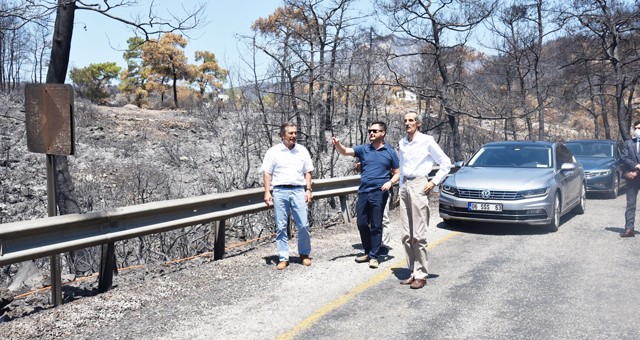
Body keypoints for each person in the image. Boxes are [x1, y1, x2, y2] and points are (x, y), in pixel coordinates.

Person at [331, 122, 400, 269]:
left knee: (376, 224)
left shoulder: (390, 152)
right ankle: (368, 251)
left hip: (379, 192)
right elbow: (344, 151)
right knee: (361, 223)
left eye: (375, 131)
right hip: (364, 191)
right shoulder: (364, 149)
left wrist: (390, 182)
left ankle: (374, 255)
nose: (371, 133)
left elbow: (398, 172)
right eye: (370, 131)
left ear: (383, 133)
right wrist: (338, 144)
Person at [398, 111, 451, 289]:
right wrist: (400, 189)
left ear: (418, 123)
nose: (408, 123)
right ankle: (412, 272)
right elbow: (402, 167)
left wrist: (434, 182)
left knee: (418, 235)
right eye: (405, 120)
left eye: (411, 120)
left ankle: (421, 274)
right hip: (405, 186)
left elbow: (446, 163)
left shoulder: (427, 141)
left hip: (420, 184)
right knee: (406, 235)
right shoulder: (402, 142)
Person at [261, 122, 314, 269]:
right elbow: (267, 172)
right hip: (279, 191)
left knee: (303, 224)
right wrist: (267, 192)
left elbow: (308, 171)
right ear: (282, 135)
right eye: (290, 133)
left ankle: (304, 254)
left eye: (295, 133)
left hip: (298, 190)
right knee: (281, 226)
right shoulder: (273, 152)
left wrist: (308, 189)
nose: (294, 136)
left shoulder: (302, 151)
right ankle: (283, 257)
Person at [620, 120, 640, 238]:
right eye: (636, 128)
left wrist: (636, 170)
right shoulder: (628, 143)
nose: (638, 130)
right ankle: (629, 229)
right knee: (631, 203)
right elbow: (624, 158)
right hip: (631, 177)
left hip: (634, 173)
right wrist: (635, 167)